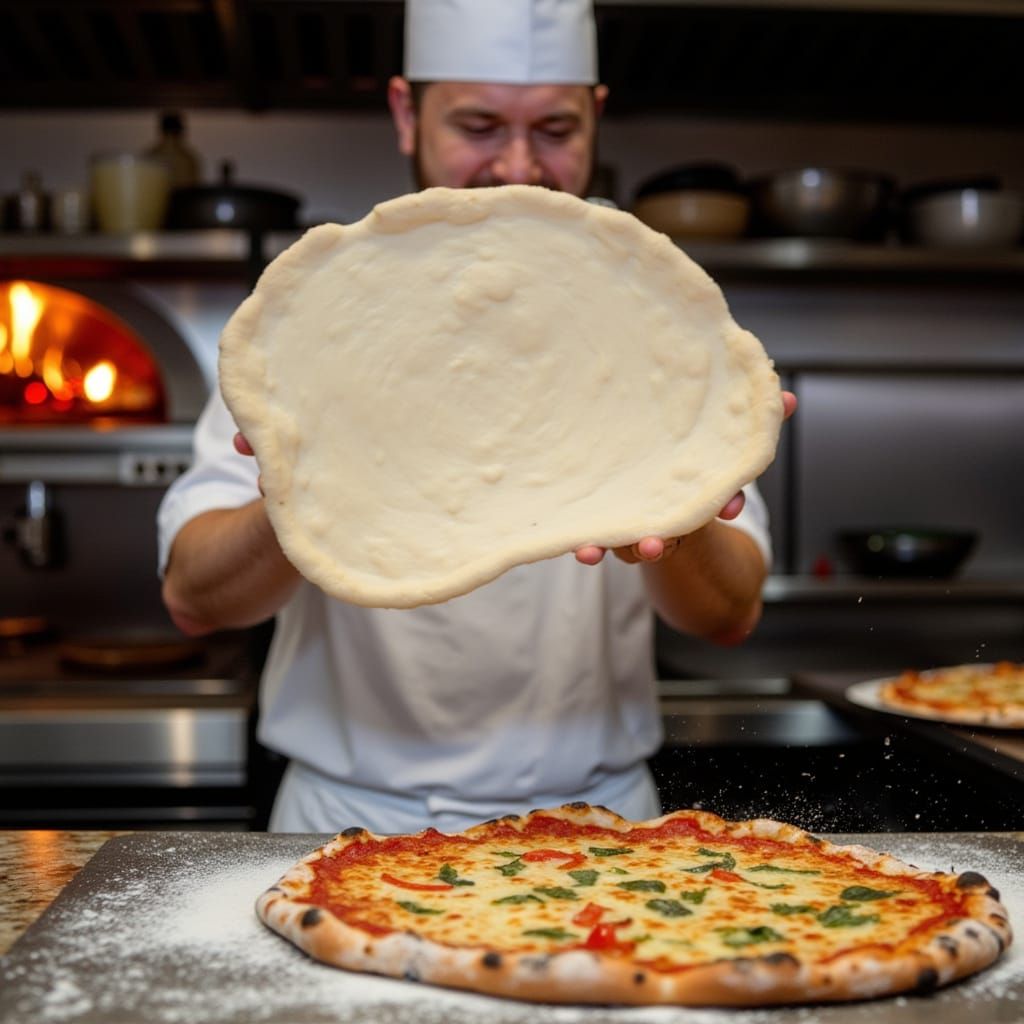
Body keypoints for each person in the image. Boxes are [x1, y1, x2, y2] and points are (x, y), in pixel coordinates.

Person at [158, 0, 795, 834]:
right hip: (352, 825)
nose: (519, 164)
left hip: (601, 833)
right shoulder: (317, 327)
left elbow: (730, 615)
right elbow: (192, 597)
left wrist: (677, 517)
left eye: (556, 128)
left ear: (597, 116)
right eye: (480, 124)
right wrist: (315, 489)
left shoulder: (654, 317)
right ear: (403, 112)